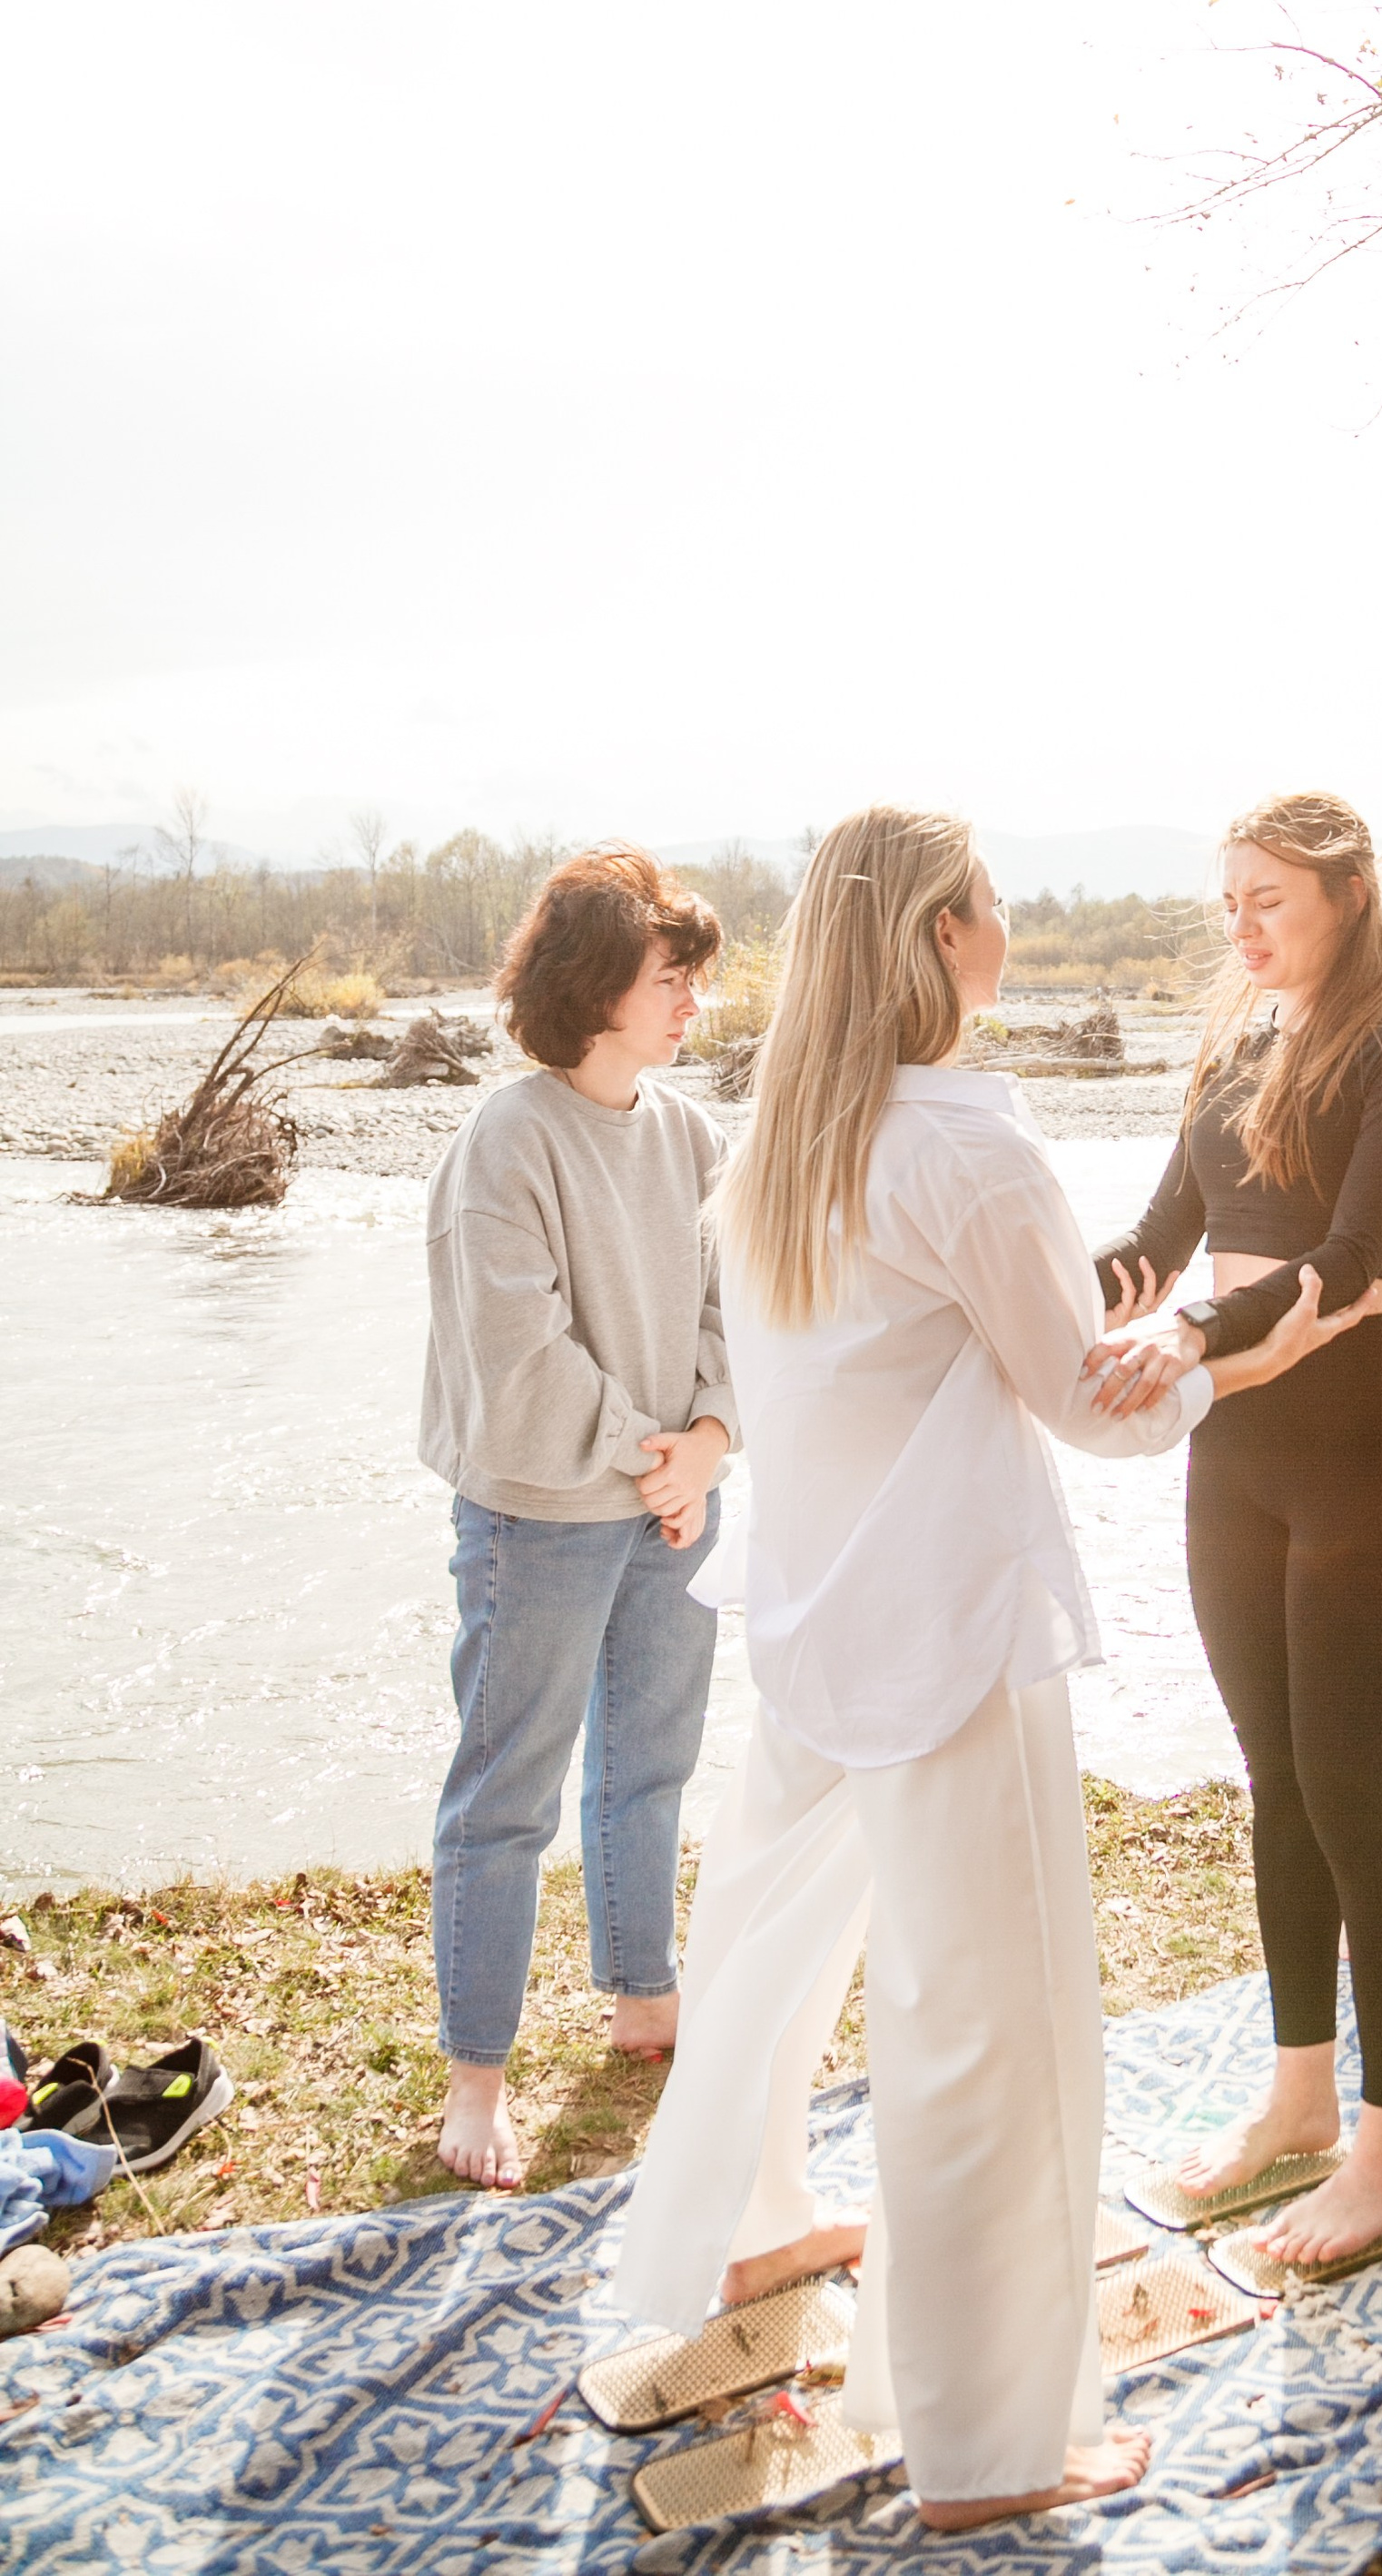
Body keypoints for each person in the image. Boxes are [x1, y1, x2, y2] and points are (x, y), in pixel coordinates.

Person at [610, 806, 1368, 2533]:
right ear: (945, 935)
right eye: (999, 903)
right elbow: (1091, 1411)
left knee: (769, 1948)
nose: (1011, 926)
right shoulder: (964, 1143)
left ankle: (756, 2224)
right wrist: (1243, 1357)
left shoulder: (784, 1139)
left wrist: (1120, 1320)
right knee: (990, 2036)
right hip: (946, 1638)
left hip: (806, 1622)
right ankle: (990, 2450)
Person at [1091, 789, 1382, 2274]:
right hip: (1231, 1462)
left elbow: (1350, 1260)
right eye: (1227, 901)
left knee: (1354, 1793)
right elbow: (1153, 1243)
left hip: (1359, 1462)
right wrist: (1006, 1290)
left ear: (1350, 896)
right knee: (1274, 1785)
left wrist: (1186, 1337)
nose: (1241, 927)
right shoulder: (1235, 1044)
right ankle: (1301, 2099)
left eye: (1269, 901)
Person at [420, 847, 734, 2192]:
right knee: (507, 1796)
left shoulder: (691, 1133)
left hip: (676, 1503)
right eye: (673, 981)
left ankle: (645, 1997)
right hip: (538, 1513)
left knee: (649, 1766)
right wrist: (651, 1457)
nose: (694, 1005)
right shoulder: (508, 1137)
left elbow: (739, 1313)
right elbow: (517, 1346)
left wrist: (710, 1443)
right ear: (598, 989)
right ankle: (477, 2073)